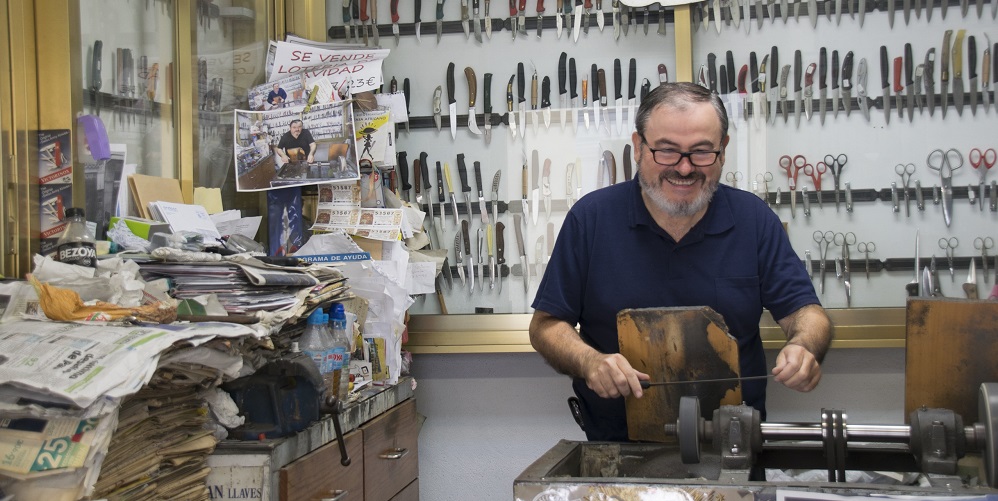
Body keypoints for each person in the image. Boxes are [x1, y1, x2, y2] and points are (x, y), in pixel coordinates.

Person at [529, 82, 833, 442]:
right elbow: (546, 327)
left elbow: (808, 315)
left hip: (735, 447)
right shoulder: (591, 220)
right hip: (618, 450)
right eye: (668, 152)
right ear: (639, 146)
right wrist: (589, 361)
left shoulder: (753, 219)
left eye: (702, 152)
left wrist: (804, 347)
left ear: (723, 150)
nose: (685, 169)